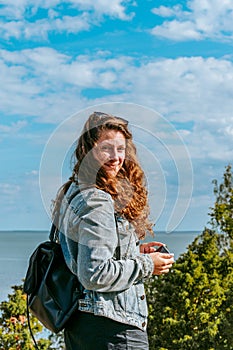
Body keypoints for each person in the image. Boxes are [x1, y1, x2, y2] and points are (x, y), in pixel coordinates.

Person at [53, 111, 174, 349]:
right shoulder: (97, 200)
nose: (116, 157)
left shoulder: (74, 191)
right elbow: (94, 273)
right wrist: (149, 265)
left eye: (121, 149)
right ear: (88, 151)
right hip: (113, 327)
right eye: (106, 148)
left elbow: (87, 254)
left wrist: (134, 252)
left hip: (82, 325)